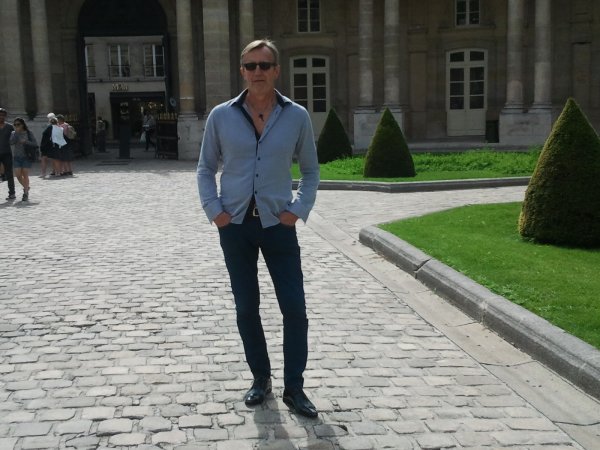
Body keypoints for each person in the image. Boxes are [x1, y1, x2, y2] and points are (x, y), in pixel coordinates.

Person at [197, 39, 320, 418]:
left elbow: (311, 170)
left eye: (264, 65)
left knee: (294, 308)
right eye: (250, 65)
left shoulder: (296, 116)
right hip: (235, 225)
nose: (257, 72)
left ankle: (294, 387)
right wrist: (215, 211)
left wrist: (297, 210)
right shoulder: (221, 115)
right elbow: (205, 168)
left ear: (276, 70)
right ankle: (260, 378)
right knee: (246, 307)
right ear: (242, 71)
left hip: (278, 225)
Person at [9, 117, 37, 201]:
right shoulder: (14, 133)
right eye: (15, 125)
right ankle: (26, 187)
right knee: (18, 175)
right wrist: (16, 133)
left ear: (22, 124)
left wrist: (26, 142)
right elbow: (11, 142)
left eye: (18, 124)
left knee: (25, 175)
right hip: (17, 157)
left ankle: (25, 193)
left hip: (26, 157)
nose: (16, 126)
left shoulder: (28, 133)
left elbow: (35, 144)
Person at [0, 107, 16, 200]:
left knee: (9, 173)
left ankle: (12, 193)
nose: (1, 117)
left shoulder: (9, 127)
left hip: (7, 153)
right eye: (0, 115)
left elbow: (14, 139)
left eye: (3, 115)